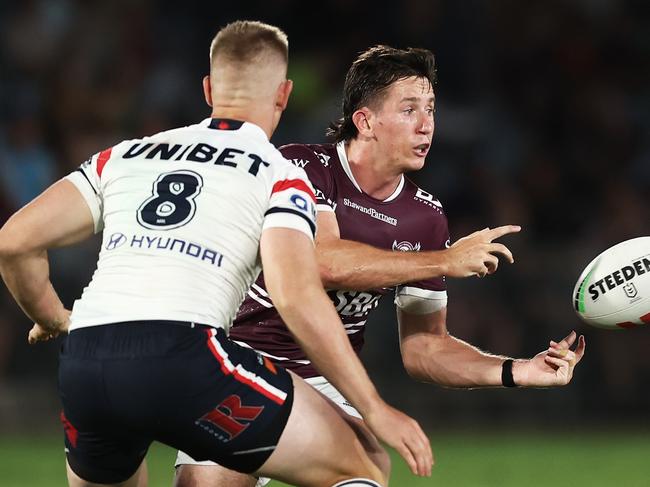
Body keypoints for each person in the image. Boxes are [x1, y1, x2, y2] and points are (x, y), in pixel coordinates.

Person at [0, 23, 436, 487]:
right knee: (365, 462)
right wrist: (374, 408)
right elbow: (296, 296)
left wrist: (50, 317)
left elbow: (13, 241)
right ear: (284, 95)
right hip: (182, 356)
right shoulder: (280, 175)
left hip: (87, 360)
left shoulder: (124, 155)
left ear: (209, 89)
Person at [174, 45, 586, 487]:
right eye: (409, 110)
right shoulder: (300, 166)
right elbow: (323, 262)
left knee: (367, 473)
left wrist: (517, 370)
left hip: (329, 377)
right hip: (242, 362)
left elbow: (424, 347)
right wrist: (446, 258)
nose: (426, 124)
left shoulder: (426, 217)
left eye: (430, 109)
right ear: (365, 121)